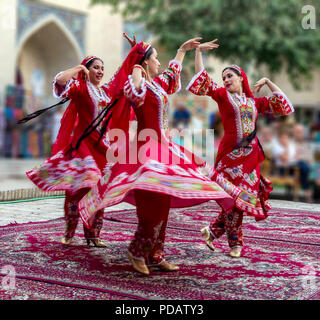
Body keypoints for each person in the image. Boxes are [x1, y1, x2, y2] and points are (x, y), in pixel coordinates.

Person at [78, 39, 235, 275]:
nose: (159, 61)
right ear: (145, 62)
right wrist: (136, 69)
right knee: (152, 206)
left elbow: (173, 72)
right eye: (155, 58)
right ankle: (137, 250)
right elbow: (134, 94)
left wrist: (182, 50)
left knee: (164, 201)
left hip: (165, 148)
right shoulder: (138, 82)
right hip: (145, 150)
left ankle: (156, 254)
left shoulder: (159, 85)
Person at [187, 39, 294, 258]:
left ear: (241, 79)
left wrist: (268, 81)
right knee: (233, 200)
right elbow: (202, 80)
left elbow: (283, 105)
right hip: (230, 156)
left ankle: (212, 232)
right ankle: (235, 243)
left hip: (251, 157)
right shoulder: (222, 96)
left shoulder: (255, 102)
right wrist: (198, 52)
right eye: (223, 77)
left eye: (229, 76)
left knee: (243, 199)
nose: (225, 80)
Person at [26, 55, 117, 247]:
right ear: (87, 70)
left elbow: (122, 80)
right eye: (95, 67)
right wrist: (78, 68)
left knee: (98, 191)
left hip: (102, 148)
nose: (100, 71)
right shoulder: (80, 88)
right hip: (83, 148)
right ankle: (70, 231)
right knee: (77, 191)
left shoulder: (105, 93)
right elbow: (60, 81)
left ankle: (93, 235)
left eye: (102, 68)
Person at [292, 123, 313, 202]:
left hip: (302, 167)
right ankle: (308, 193)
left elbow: (309, 157)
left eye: (301, 132)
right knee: (304, 168)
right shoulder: (290, 142)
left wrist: (301, 157)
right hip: (291, 167)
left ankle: (309, 193)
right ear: (294, 132)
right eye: (298, 132)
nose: (300, 134)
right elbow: (291, 156)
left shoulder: (304, 144)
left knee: (304, 169)